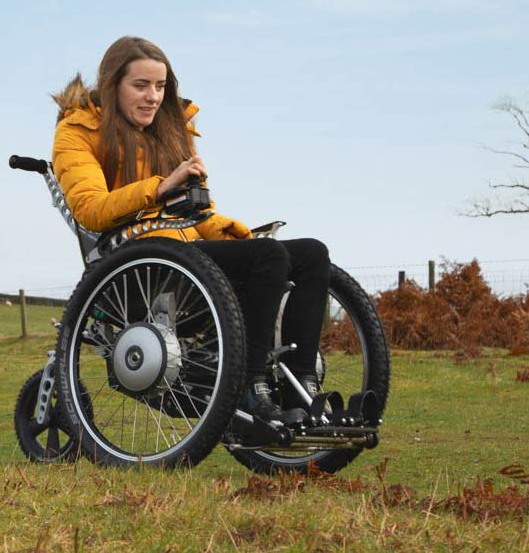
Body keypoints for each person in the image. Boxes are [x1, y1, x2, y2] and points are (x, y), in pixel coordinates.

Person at [51, 35, 331, 427]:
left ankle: (303, 384)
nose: (153, 97)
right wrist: (160, 185)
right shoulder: (77, 131)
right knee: (268, 258)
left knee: (310, 254)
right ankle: (252, 386)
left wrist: (235, 232)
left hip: (185, 255)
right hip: (137, 265)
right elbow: (90, 210)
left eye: (161, 87)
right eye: (141, 85)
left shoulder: (170, 131)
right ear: (113, 86)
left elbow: (196, 213)